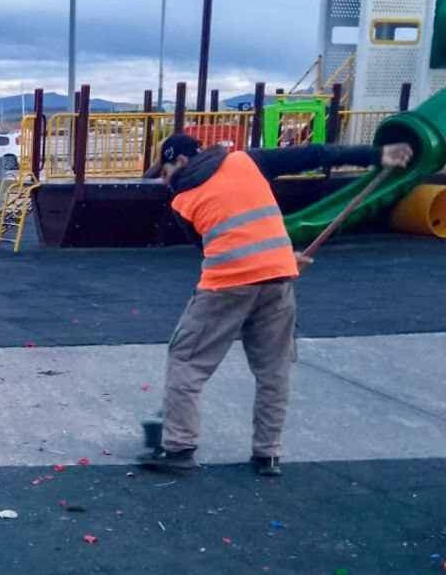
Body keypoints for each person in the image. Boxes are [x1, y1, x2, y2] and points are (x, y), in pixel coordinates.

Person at [139, 133, 414, 476]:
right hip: (277, 278)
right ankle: (267, 454)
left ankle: (179, 448)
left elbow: (212, 248)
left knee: (186, 361)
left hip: (226, 287)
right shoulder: (247, 160)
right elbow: (316, 154)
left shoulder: (182, 200)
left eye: (164, 172)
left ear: (180, 161)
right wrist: (378, 154)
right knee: (273, 370)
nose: (164, 181)